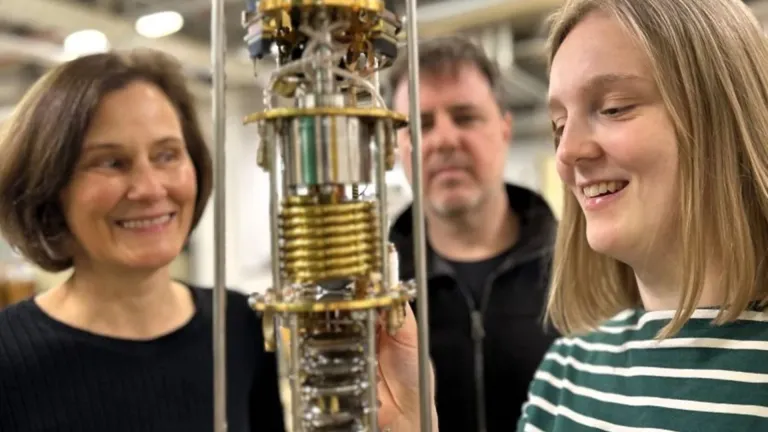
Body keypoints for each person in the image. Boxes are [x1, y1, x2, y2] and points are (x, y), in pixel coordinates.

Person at [0, 48, 437, 432]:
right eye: (111, 162)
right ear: (49, 186)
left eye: (167, 155)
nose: (150, 188)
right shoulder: (9, 358)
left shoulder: (239, 327)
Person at [517, 0, 768, 430]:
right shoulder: (563, 375)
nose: (567, 151)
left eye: (614, 107)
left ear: (723, 114)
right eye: (559, 126)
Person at [386, 36, 559, 432]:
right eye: (421, 125)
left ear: (504, 129)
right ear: (398, 146)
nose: (444, 140)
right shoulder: (381, 293)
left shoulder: (581, 270)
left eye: (465, 117)